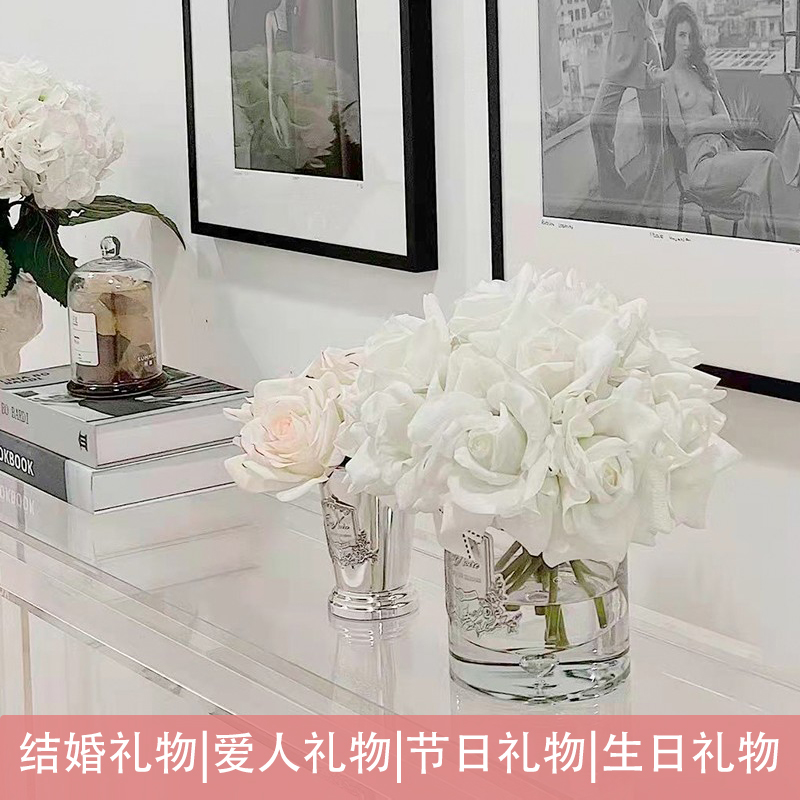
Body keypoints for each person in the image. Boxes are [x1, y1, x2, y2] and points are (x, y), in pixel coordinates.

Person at [650, 3, 795, 241]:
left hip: (724, 155)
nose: (687, 43)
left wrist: (694, 126)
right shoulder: (669, 79)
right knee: (767, 161)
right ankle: (787, 238)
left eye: (691, 36)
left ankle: (770, 242)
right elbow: (678, 133)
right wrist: (704, 123)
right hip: (702, 166)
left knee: (758, 190)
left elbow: (727, 121)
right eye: (681, 35)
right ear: (671, 38)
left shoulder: (702, 74)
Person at [588, 0, 665, 220]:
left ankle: (653, 202)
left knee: (654, 133)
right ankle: (614, 196)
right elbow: (594, 7)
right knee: (597, 121)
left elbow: (654, 11)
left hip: (647, 51)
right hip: (619, 52)